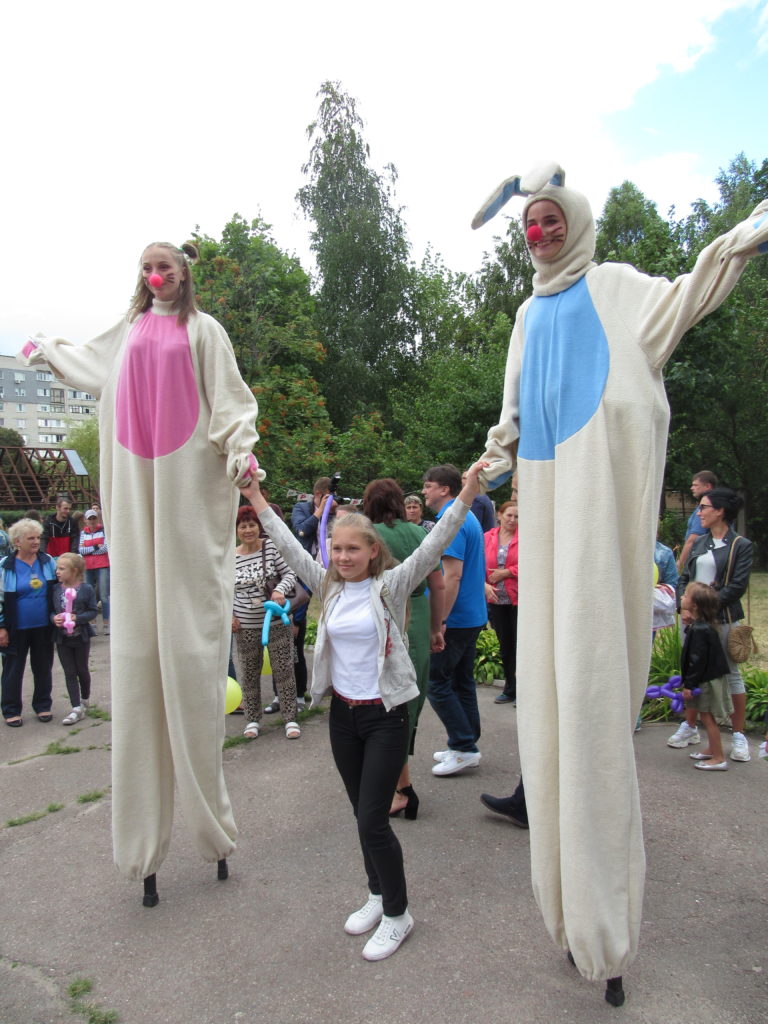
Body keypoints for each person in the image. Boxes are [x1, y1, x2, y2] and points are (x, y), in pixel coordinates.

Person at [473, 160, 767, 999]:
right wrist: (481, 475)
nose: (539, 231)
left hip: (597, 530)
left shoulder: (617, 288)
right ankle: (567, 903)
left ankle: (605, 920)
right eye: (529, 223)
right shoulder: (528, 313)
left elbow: (687, 296)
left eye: (550, 218)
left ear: (576, 217)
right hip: (548, 515)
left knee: (596, 712)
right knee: (549, 710)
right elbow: (511, 418)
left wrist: (745, 237)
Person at [21, 240, 259, 906]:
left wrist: (242, 453)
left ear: (183, 276)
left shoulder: (204, 332)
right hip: (133, 507)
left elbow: (233, 404)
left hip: (182, 503)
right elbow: (91, 361)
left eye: (166, 269)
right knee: (137, 662)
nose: (155, 277)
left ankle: (212, 830)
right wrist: (47, 350)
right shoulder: (128, 333)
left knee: (189, 659)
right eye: (147, 269)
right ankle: (143, 845)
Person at [240, 460, 487, 961]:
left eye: (353, 548)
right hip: (343, 717)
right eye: (337, 548)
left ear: (374, 551)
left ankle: (398, 914)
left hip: (385, 715)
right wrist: (258, 498)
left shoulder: (390, 586)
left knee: (374, 820)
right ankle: (377, 895)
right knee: (361, 814)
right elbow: (289, 543)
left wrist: (467, 494)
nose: (344, 555)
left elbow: (435, 544)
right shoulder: (328, 585)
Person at [362, 477, 446, 819]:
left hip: (384, 620)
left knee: (386, 705)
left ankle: (400, 790)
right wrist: (436, 629)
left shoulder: (369, 537)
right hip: (419, 614)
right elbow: (437, 585)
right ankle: (399, 784)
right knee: (408, 703)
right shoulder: (419, 533)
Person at [670, 488, 753, 761]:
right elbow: (685, 577)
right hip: (691, 620)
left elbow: (736, 587)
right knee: (692, 672)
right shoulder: (700, 542)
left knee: (730, 674)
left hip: (722, 620)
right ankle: (690, 727)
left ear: (719, 511)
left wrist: (701, 609)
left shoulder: (740, 545)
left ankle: (738, 736)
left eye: (703, 507)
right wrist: (684, 604)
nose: (699, 512)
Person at [423, 464, 487, 777]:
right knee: (462, 681)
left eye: (428, 485)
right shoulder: (465, 516)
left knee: (436, 681)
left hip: (457, 618)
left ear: (445, 489)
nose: (424, 491)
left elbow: (453, 575)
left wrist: (440, 621)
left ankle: (463, 746)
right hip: (471, 615)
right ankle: (465, 742)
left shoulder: (453, 520)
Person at [232, 505, 299, 740]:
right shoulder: (230, 556)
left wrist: (279, 590)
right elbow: (223, 591)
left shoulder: (269, 548)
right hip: (245, 626)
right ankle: (252, 719)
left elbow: (291, 574)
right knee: (249, 673)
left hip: (277, 621)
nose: (248, 530)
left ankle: (290, 718)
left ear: (258, 527)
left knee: (284, 670)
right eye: (243, 526)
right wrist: (230, 616)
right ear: (237, 530)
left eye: (252, 525)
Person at [0, 518, 57, 726]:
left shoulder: (48, 561)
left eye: (37, 537)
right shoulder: (5, 566)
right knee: (12, 670)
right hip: (16, 628)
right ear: (17, 542)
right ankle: (11, 709)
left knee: (43, 667)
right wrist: (1, 627)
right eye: (30, 538)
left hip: (43, 626)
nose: (36, 542)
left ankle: (43, 705)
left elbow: (58, 589)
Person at [676, 582, 733, 771]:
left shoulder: (700, 629)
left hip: (705, 681)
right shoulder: (700, 625)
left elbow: (697, 660)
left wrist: (689, 685)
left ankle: (718, 758)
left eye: (685, 595)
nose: (682, 597)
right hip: (705, 678)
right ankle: (711, 749)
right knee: (704, 715)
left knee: (707, 717)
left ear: (695, 605)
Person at [51, 552, 98, 725]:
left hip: (81, 637)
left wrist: (77, 618)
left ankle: (85, 698)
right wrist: (53, 618)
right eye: (57, 568)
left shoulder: (86, 589)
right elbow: (51, 610)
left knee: (82, 670)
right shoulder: (55, 589)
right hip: (62, 638)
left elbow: (93, 611)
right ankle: (76, 707)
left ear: (75, 571)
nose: (57, 572)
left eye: (62, 569)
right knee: (69, 672)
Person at [484, 500, 518, 705]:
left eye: (517, 517)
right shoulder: (488, 537)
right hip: (496, 599)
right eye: (509, 516)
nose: (513, 520)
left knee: (520, 646)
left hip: (519, 600)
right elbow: (477, 563)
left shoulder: (527, 537)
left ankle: (525, 690)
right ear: (499, 515)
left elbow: (535, 562)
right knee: (505, 645)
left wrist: (508, 572)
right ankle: (510, 688)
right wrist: (483, 584)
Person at [677, 471, 717, 571]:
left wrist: (680, 564)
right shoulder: (706, 507)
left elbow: (693, 540)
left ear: (707, 486)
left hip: (699, 561)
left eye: (695, 485)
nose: (692, 488)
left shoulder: (706, 510)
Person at [79, 508, 110, 635]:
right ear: (86, 520)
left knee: (104, 595)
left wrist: (89, 549)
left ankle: (107, 622)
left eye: (94, 518)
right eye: (89, 518)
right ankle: (91, 622)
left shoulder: (103, 530)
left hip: (102, 565)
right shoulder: (83, 533)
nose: (92, 521)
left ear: (97, 519)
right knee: (89, 594)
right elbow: (81, 550)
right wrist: (95, 547)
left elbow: (105, 548)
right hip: (88, 566)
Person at [292, 477, 333, 555]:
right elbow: (301, 531)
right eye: (329, 496)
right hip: (308, 557)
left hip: (330, 557)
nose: (331, 499)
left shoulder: (334, 510)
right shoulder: (301, 507)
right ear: (317, 493)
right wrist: (321, 509)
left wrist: (333, 512)